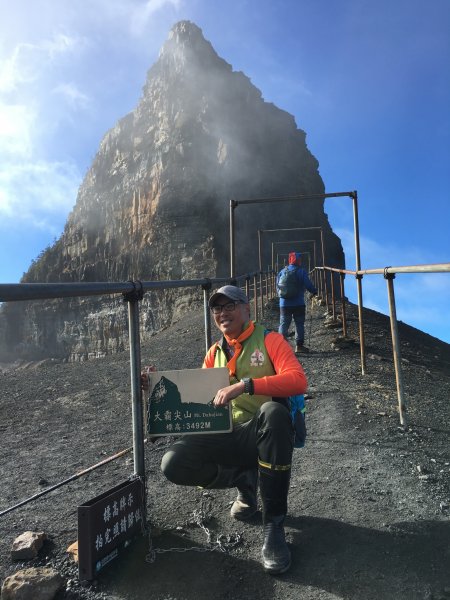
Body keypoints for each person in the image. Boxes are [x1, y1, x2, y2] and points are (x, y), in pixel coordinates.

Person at [142, 285, 307, 575]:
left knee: (274, 412)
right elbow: (199, 403)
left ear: (246, 308)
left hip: (262, 433)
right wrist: (156, 390)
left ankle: (274, 526)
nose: (222, 313)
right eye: (217, 309)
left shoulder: (271, 340)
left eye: (229, 305)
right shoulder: (213, 353)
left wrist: (245, 385)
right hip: (227, 433)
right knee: (173, 463)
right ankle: (244, 478)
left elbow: (297, 380)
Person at [277, 251, 317, 353]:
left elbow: (277, 286)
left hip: (284, 304)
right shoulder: (301, 271)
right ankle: (299, 347)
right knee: (299, 324)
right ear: (298, 260)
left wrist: (282, 297)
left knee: (284, 324)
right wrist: (314, 291)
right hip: (298, 303)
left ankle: (281, 348)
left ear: (289, 260)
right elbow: (308, 285)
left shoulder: (282, 271)